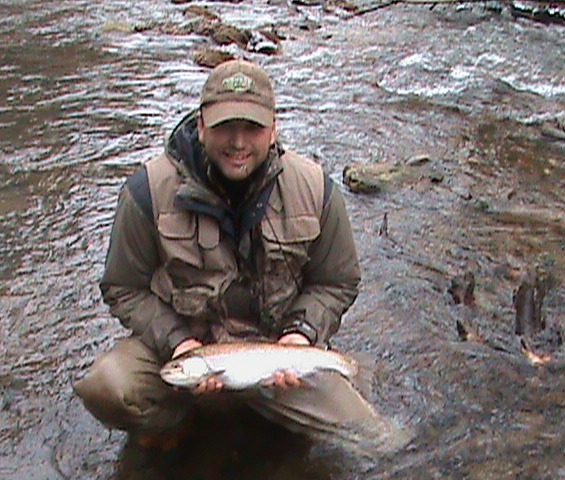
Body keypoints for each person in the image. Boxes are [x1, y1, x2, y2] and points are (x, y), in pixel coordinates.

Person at [74, 59, 377, 450]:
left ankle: (276, 416)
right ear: (201, 126)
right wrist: (179, 345)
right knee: (107, 386)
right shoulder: (147, 191)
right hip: (190, 342)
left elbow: (337, 282)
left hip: (279, 354)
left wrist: (301, 335)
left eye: (251, 128)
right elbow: (123, 287)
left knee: (374, 439)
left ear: (274, 129)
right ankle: (173, 424)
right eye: (224, 128)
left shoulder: (316, 189)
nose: (238, 143)